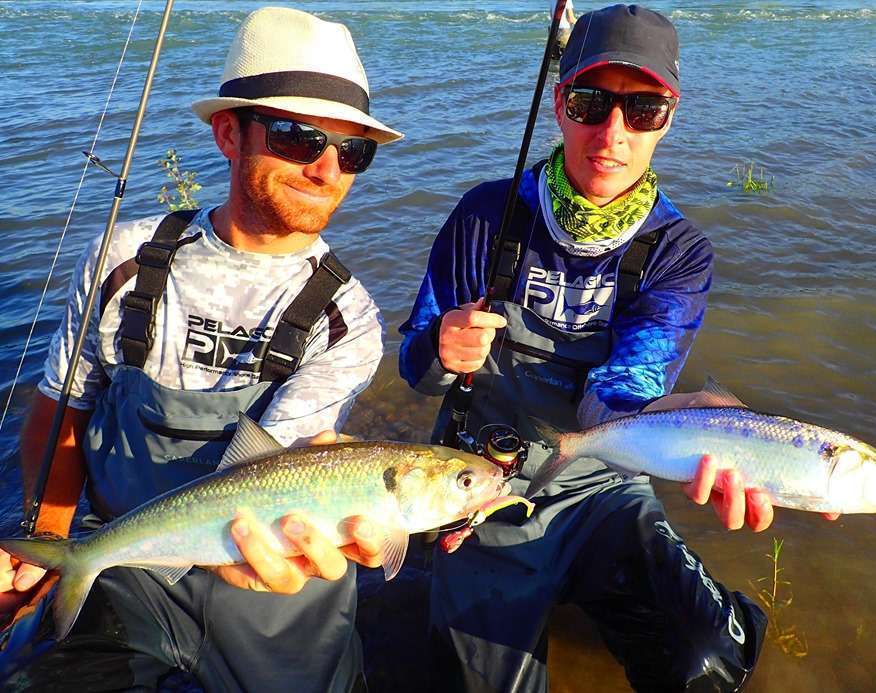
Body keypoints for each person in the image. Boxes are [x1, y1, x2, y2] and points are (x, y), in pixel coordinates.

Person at [0, 7, 401, 691]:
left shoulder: (349, 318)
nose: (327, 167)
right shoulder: (123, 259)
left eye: (351, 150)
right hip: (130, 575)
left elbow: (270, 478)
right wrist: (52, 550)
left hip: (279, 594)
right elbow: (64, 411)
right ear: (227, 133)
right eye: (298, 136)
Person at [400, 6, 782, 691]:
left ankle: (723, 617)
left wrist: (687, 412)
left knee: (706, 662)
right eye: (590, 102)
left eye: (642, 109)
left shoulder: (678, 253)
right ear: (559, 105)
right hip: (481, 481)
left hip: (603, 484)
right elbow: (414, 368)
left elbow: (619, 395)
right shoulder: (484, 215)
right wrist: (442, 346)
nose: (611, 134)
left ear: (670, 115)